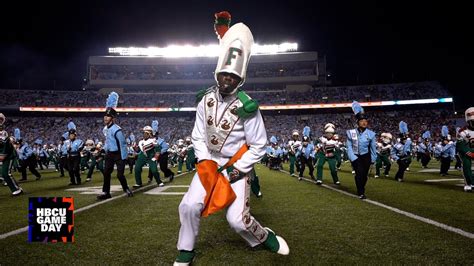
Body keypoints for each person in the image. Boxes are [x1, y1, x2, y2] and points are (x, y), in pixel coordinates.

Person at [174, 13, 288, 265]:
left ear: (240, 79)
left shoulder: (248, 107)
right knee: (189, 205)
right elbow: (198, 135)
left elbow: (259, 145)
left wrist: (236, 170)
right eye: (224, 74)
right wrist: (205, 161)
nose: (227, 79)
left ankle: (263, 237)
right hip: (209, 163)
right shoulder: (205, 99)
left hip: (236, 166)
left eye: (233, 76)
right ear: (217, 73)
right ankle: (185, 249)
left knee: (236, 220)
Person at [97, 92, 133, 200]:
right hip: (110, 155)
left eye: (108, 116)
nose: (105, 118)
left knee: (119, 175)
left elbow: (122, 144)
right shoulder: (106, 129)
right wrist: (103, 150)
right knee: (106, 173)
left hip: (119, 155)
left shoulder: (117, 129)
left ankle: (126, 188)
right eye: (105, 115)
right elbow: (108, 142)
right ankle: (106, 192)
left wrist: (124, 157)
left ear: (112, 118)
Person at [346, 101, 377, 199]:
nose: (364, 122)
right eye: (362, 121)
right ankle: (361, 191)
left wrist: (373, 159)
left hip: (366, 156)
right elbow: (349, 146)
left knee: (364, 175)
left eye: (365, 121)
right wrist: (353, 158)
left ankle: (361, 187)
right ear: (357, 122)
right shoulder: (351, 133)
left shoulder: (371, 134)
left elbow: (373, 149)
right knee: (359, 173)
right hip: (356, 156)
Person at [0, 114, 23, 196]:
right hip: (4, 154)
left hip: (7, 155)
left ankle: (16, 190)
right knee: (4, 173)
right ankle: (16, 188)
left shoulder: (3, 133)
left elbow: (5, 145)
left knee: (5, 173)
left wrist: (3, 155)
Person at [457, 107, 474, 192]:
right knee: (466, 164)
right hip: (466, 150)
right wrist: (468, 152)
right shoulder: (462, 131)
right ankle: (468, 183)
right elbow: (460, 145)